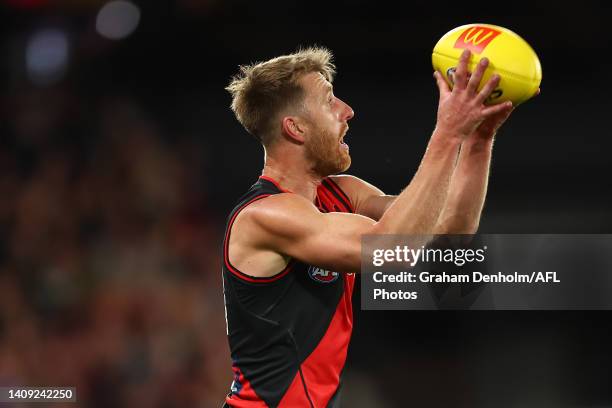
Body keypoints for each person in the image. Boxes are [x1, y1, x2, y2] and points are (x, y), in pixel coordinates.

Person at [221, 46, 514, 407]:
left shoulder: (343, 193)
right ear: (295, 127)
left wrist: (477, 139)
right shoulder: (264, 215)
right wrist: (448, 132)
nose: (347, 111)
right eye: (329, 101)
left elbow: (452, 231)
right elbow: (389, 251)